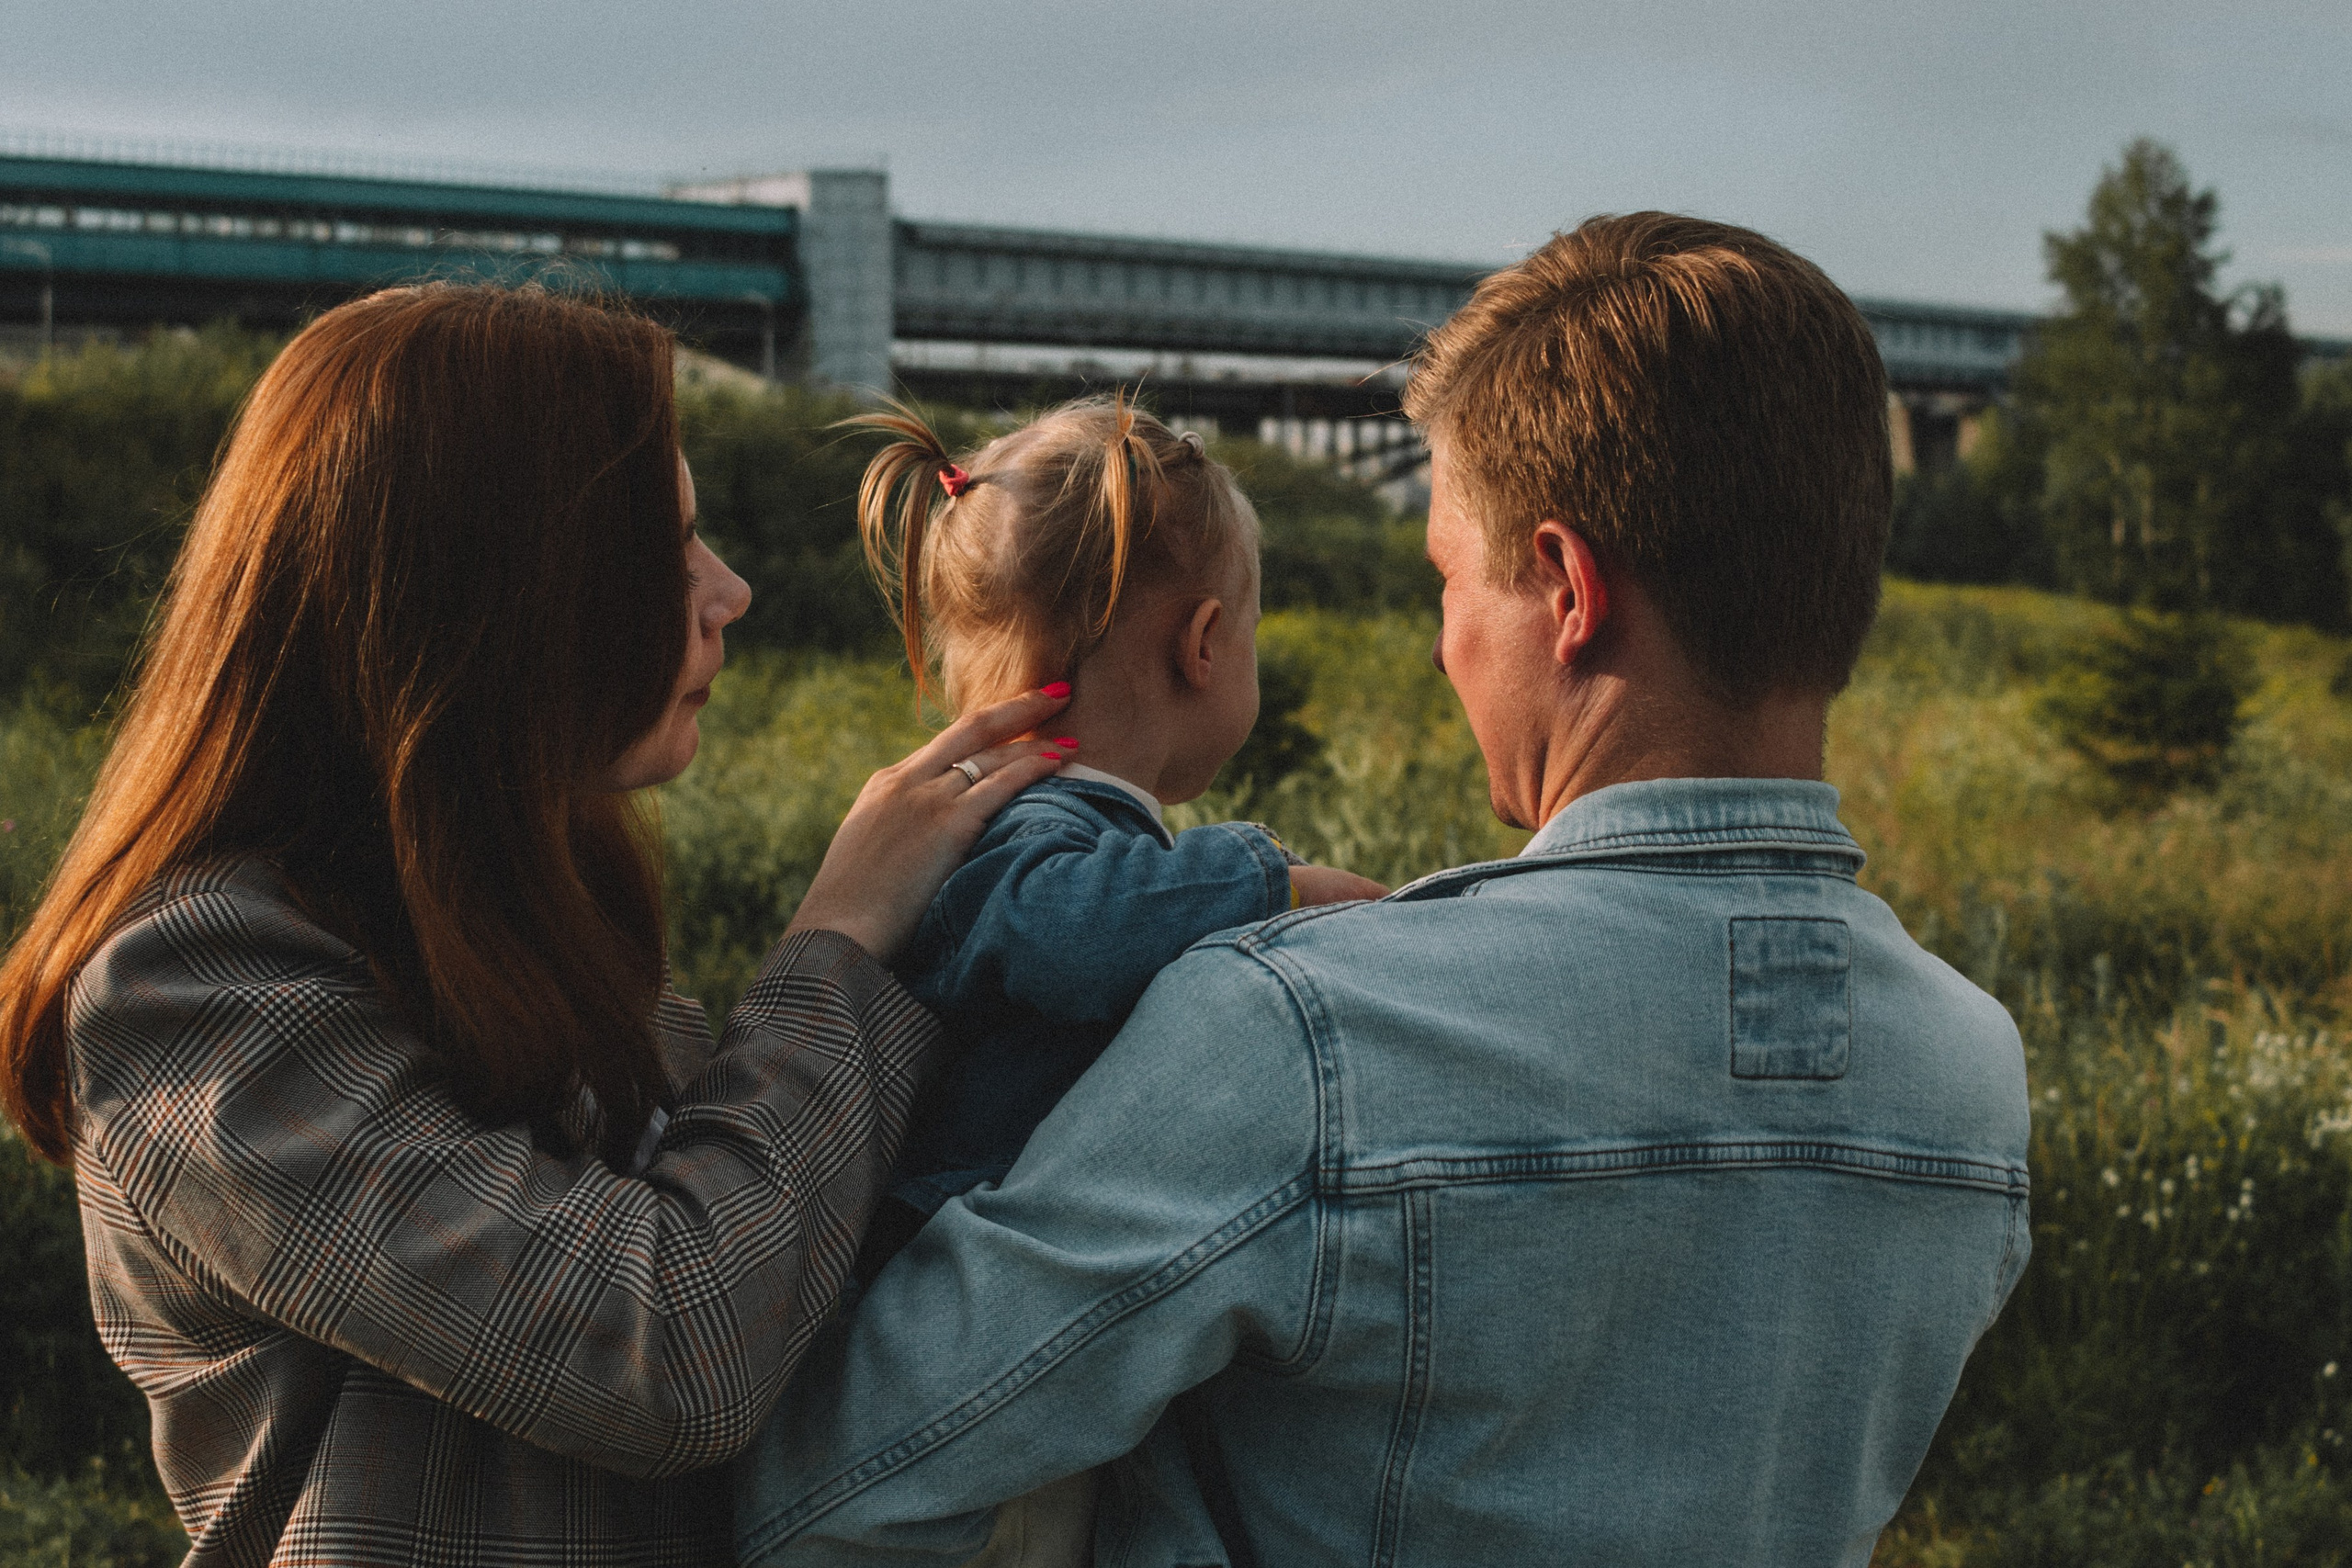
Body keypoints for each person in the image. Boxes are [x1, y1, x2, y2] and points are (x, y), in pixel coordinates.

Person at [735, 214, 2033, 1567]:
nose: (1439, 646)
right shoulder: (1971, 1078)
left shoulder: (1308, 1037)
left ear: (1568, 591)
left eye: (1448, 580)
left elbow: (830, 1493)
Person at [0, 283, 1072, 1566]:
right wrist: (843, 942)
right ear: (494, 587)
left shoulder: (531, 935)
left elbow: (780, 1273)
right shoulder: (194, 994)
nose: (727, 590)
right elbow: (672, 1347)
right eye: (665, 546)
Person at [840, 394, 1386, 1277]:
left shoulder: (1039, 831)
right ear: (1202, 643)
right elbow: (1062, 933)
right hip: (952, 1279)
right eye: (1252, 629)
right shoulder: (1031, 835)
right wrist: (1271, 881)